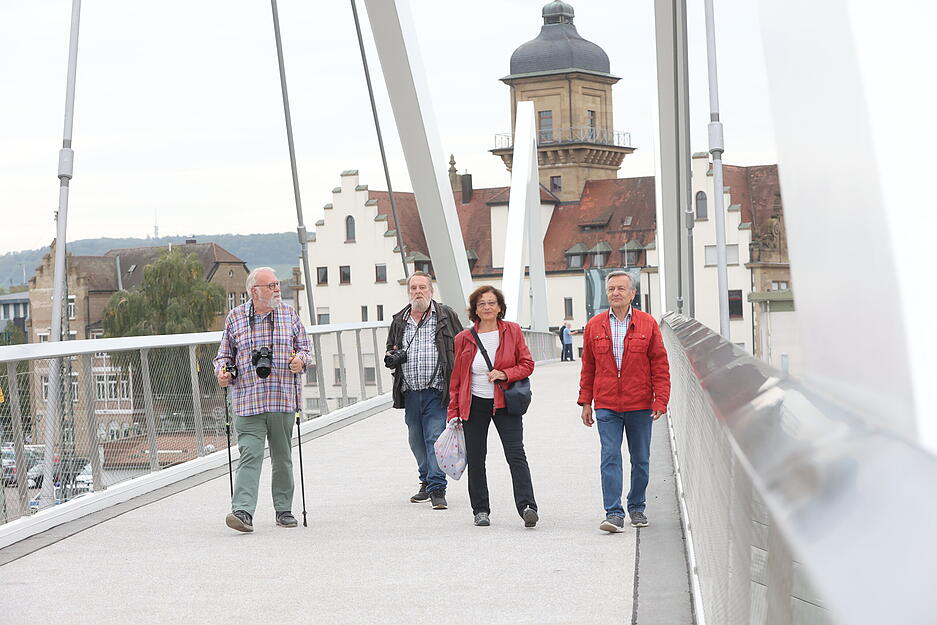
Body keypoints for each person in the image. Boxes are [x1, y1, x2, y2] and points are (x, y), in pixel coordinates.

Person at [214, 267, 309, 533]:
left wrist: (300, 360)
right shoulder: (235, 318)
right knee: (250, 455)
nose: (277, 289)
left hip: (282, 398)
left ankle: (284, 510)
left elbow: (306, 349)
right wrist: (222, 373)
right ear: (254, 291)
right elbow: (223, 357)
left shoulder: (289, 315)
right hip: (248, 400)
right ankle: (242, 512)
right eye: (271, 286)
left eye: (278, 284)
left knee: (282, 457)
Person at [578, 270, 670, 532]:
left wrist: (660, 400)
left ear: (632, 294)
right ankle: (613, 513)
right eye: (611, 289)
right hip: (606, 404)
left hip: (639, 403)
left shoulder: (647, 324)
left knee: (640, 458)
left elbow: (660, 365)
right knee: (610, 456)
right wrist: (586, 401)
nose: (615, 293)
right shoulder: (595, 326)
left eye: (621, 289)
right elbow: (588, 367)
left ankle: (637, 507)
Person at [448, 285, 538, 528]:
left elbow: (527, 364)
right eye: (482, 304)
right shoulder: (463, 339)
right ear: (475, 310)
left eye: (491, 303)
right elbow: (456, 379)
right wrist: (453, 412)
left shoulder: (513, 331)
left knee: (516, 455)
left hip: (505, 403)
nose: (487, 307)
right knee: (476, 459)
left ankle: (527, 506)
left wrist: (504, 373)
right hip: (474, 404)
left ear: (500, 307)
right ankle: (480, 510)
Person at [385, 271, 462, 510]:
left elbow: (462, 345)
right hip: (410, 390)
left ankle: (437, 488)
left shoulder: (446, 315)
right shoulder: (400, 320)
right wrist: (391, 356)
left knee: (434, 437)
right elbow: (390, 349)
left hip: (437, 389)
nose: (418, 292)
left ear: (431, 291)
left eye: (422, 288)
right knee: (416, 440)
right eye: (413, 288)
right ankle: (426, 480)